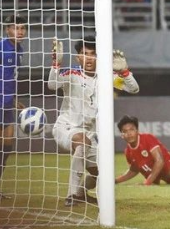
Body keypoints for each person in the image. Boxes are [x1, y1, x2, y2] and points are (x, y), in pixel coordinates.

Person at [49, 36, 140, 206]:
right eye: (84, 54)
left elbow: (134, 88)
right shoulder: (72, 74)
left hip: (90, 134)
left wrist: (124, 71)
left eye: (93, 54)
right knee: (82, 142)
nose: (89, 58)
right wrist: (56, 64)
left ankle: (82, 193)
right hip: (66, 128)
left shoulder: (106, 77)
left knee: (101, 173)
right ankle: (72, 195)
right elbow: (52, 85)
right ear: (78, 57)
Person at [0, 14, 27, 200]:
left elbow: (11, 77)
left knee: (8, 144)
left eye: (22, 28)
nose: (20, 31)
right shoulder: (2, 47)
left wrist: (13, 98)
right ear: (7, 29)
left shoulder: (20, 49)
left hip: (8, 102)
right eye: (16, 28)